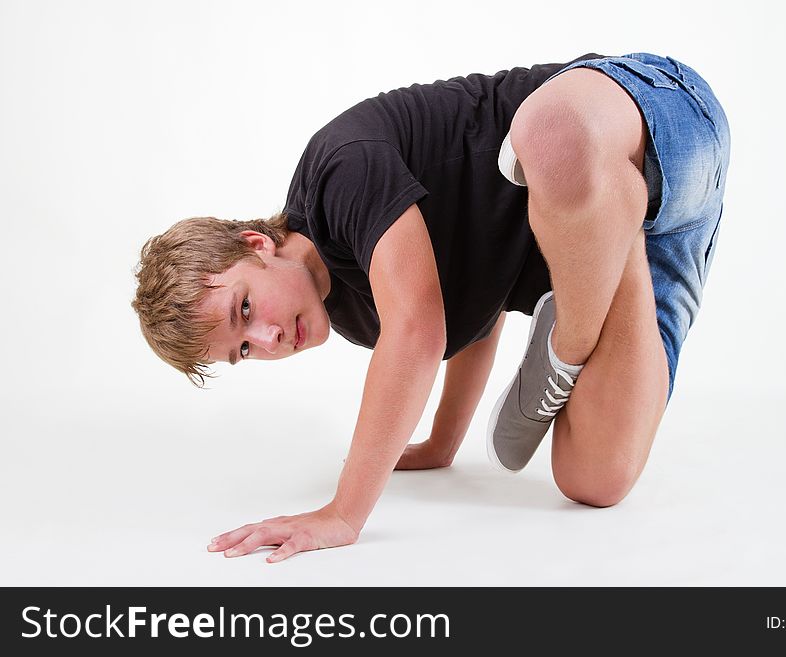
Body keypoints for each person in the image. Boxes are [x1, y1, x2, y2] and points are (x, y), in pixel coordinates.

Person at [131, 51, 730, 563]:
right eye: (242, 352)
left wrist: (343, 513)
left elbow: (418, 333)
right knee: (595, 482)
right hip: (659, 227)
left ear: (256, 245)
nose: (265, 341)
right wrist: (443, 443)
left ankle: (567, 342)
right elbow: (470, 321)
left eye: (243, 311)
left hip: (650, 118)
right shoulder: (354, 315)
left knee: (547, 134)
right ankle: (615, 224)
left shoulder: (338, 170)